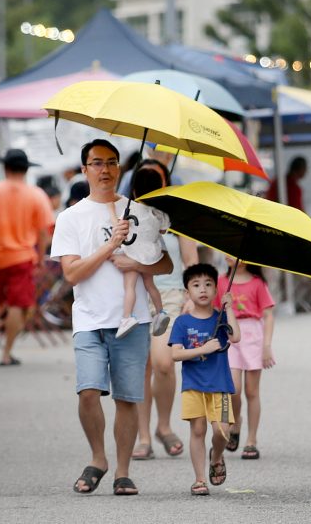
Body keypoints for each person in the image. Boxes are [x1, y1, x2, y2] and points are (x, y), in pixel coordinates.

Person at [52, 139, 174, 496]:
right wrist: (110, 245)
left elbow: (164, 263)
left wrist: (134, 262)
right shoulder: (71, 218)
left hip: (131, 321)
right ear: (85, 169)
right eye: (96, 163)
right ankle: (97, 458)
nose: (104, 170)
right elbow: (72, 274)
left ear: (119, 168)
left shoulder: (139, 210)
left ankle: (123, 471)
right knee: (88, 392)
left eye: (111, 162)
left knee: (127, 398)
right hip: (89, 320)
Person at [127, 159, 199, 461]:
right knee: (140, 366)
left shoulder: (179, 216)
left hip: (170, 294)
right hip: (134, 292)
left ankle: (164, 426)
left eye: (157, 180)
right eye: (145, 180)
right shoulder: (126, 213)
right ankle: (143, 435)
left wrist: (193, 295)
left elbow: (190, 258)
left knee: (163, 362)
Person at [0, 149, 54, 366]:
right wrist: (39, 259)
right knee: (18, 305)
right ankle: (7, 353)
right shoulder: (36, 195)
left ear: (5, 167)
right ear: (27, 169)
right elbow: (43, 232)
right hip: (22, 257)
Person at [169, 263, 241, 496]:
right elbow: (175, 354)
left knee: (222, 432)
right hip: (193, 385)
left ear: (216, 290)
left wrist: (229, 309)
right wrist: (204, 349)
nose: (203, 289)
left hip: (219, 385)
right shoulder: (182, 322)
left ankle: (216, 456)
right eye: (196, 284)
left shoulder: (220, 319)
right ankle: (200, 479)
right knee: (197, 430)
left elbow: (236, 337)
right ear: (187, 292)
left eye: (209, 284)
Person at [216, 258, 276, 460]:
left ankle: (252, 440)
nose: (228, 256)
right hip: (230, 334)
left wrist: (267, 345)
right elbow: (214, 311)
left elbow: (268, 315)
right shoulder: (221, 282)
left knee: (252, 391)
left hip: (253, 337)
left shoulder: (258, 283)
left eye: (233, 253)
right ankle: (236, 421)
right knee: (234, 389)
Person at [113, 163, 171, 340]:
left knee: (129, 286)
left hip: (132, 251)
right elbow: (163, 230)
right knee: (150, 284)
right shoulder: (159, 212)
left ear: (135, 190)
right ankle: (160, 312)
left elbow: (120, 225)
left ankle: (127, 317)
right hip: (151, 254)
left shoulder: (129, 207)